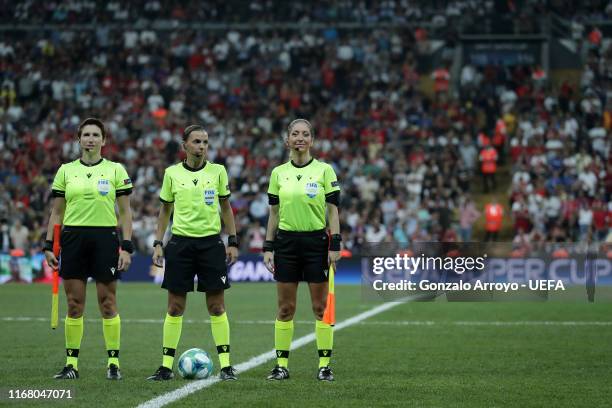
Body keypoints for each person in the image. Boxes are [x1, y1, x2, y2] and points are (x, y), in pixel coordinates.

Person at [147, 125, 239, 381]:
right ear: (184, 145)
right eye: (197, 141)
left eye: (205, 142)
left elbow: (226, 208)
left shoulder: (218, 171)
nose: (202, 146)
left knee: (217, 306)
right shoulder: (172, 174)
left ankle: (227, 366)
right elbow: (165, 211)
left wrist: (232, 241)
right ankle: (166, 367)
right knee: (175, 307)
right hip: (180, 245)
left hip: (211, 244)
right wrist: (158, 242)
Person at [45, 118, 134, 380]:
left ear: (104, 140)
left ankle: (113, 363)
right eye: (86, 135)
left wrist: (126, 247)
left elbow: (126, 212)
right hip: (73, 239)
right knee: (74, 304)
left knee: (108, 303)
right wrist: (49, 245)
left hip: (105, 239)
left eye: (96, 135)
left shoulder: (116, 170)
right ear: (79, 139)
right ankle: (71, 364)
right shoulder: (65, 171)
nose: (91, 139)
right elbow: (57, 212)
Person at [263, 119, 341, 382]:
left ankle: (324, 366)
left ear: (312, 140)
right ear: (287, 140)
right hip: (286, 244)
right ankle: (281, 366)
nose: (300, 138)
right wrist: (268, 246)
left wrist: (335, 244)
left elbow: (333, 211)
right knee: (285, 308)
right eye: (295, 134)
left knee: (321, 307)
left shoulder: (324, 171)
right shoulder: (278, 173)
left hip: (316, 244)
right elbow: (273, 213)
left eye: (305, 134)